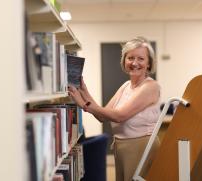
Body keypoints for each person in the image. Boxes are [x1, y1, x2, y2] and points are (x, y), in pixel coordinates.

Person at [68, 37, 161, 181]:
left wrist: (84, 105)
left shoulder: (151, 87)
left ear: (149, 63)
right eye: (130, 58)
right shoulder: (126, 86)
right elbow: (103, 115)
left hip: (141, 148)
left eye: (141, 58)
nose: (135, 63)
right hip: (122, 148)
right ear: (124, 60)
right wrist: (84, 92)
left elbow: (119, 116)